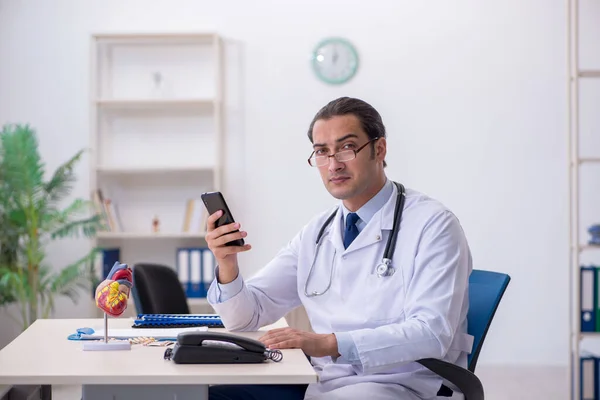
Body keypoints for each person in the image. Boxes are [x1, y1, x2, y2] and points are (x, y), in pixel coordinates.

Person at [205, 97, 473, 400]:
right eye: (322, 152)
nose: (334, 164)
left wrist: (328, 343)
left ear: (379, 149)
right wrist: (227, 264)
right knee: (212, 395)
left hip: (404, 385)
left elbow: (432, 332)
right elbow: (246, 317)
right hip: (326, 381)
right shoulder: (317, 233)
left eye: (347, 148)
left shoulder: (433, 225)